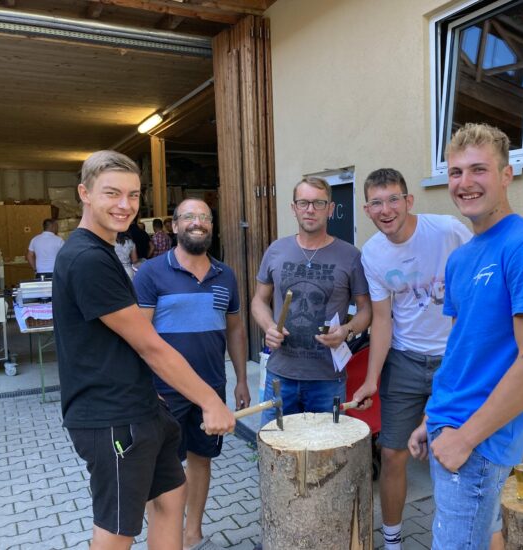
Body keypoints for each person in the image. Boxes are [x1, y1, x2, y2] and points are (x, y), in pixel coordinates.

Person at [53, 150, 235, 550]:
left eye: (133, 195)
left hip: (141, 406)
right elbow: (150, 345)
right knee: (118, 529)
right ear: (84, 193)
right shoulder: (87, 258)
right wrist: (209, 401)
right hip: (111, 416)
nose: (125, 205)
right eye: (112, 193)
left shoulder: (105, 251)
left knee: (171, 496)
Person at [408, 123, 523, 550]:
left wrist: (464, 437)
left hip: (478, 441)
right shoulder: (461, 258)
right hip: (449, 425)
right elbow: (460, 352)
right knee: (487, 534)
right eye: (456, 172)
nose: (465, 183)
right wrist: (430, 418)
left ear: (506, 174)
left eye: (479, 170)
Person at [351, 168, 472, 550]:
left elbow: (477, 284)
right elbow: (382, 320)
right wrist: (371, 380)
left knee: (454, 455)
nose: (386, 210)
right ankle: (392, 542)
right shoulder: (373, 253)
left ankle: (457, 536)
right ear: (366, 210)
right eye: (376, 203)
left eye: (393, 199)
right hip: (404, 360)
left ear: (408, 201)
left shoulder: (448, 231)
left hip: (453, 360)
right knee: (391, 453)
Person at [134, 198, 250, 550]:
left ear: (212, 226)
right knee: (163, 469)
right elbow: (139, 337)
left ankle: (192, 534)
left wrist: (241, 379)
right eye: (189, 217)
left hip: (211, 389)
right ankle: (164, 539)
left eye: (204, 217)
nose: (197, 222)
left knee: (202, 459)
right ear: (174, 225)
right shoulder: (151, 273)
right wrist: (144, 387)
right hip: (163, 390)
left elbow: (235, 330)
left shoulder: (225, 274)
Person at [251, 176, 371, 425]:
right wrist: (269, 327)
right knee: (276, 444)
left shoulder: (350, 256)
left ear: (330, 208)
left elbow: (366, 311)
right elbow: (259, 301)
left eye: (318, 203)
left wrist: (347, 330)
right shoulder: (276, 250)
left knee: (327, 448)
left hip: (327, 379)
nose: (310, 209)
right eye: (303, 203)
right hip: (280, 374)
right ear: (293, 208)